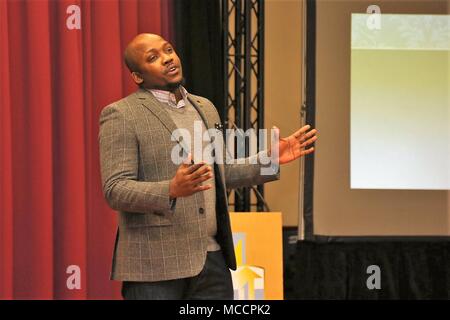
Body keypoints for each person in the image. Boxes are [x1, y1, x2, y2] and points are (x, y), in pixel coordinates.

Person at [98, 33, 318, 300]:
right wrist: (171, 189)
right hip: (156, 266)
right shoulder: (122, 114)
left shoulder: (205, 107)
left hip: (211, 259)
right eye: (153, 57)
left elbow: (219, 173)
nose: (167, 58)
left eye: (169, 50)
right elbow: (116, 189)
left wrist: (269, 159)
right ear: (138, 76)